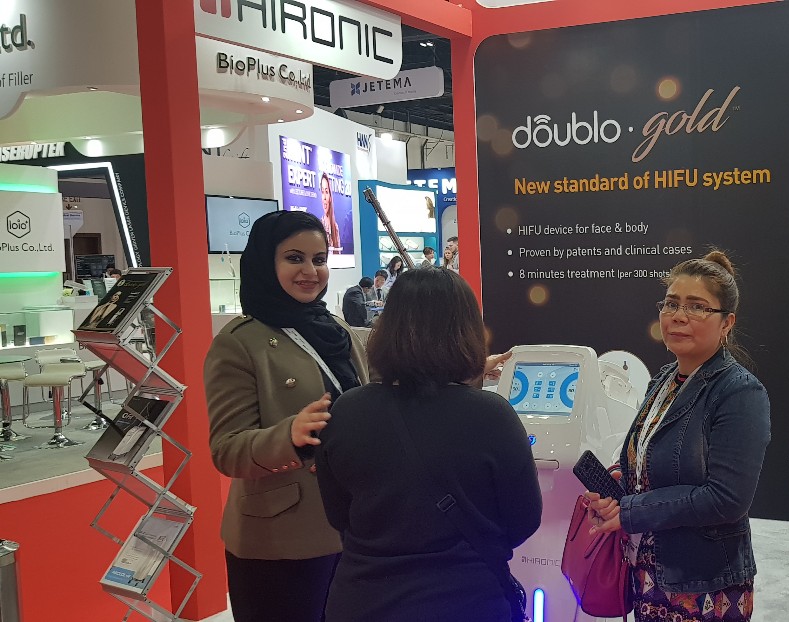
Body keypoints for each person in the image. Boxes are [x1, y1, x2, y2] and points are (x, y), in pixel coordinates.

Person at [316, 268, 540, 622]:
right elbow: (523, 521)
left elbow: (339, 516)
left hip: (363, 599)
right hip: (467, 600)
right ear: (466, 330)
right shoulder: (492, 415)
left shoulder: (347, 410)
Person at [204, 210, 371, 622]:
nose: (310, 271)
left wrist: (462, 373)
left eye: (319, 259)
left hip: (353, 527)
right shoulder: (239, 343)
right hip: (280, 541)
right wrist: (289, 435)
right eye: (294, 258)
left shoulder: (337, 330)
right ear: (266, 262)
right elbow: (227, 451)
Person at [587, 250, 770, 622]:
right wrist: (620, 486)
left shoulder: (740, 392)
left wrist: (631, 511)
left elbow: (727, 499)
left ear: (727, 322)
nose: (679, 316)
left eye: (697, 307)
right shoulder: (664, 380)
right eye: (671, 304)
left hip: (703, 582)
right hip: (648, 568)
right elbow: (650, 458)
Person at [320, 173, 342, 252]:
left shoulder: (335, 227)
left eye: (326, 192)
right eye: (322, 192)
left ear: (330, 196)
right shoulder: (318, 226)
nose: (324, 198)